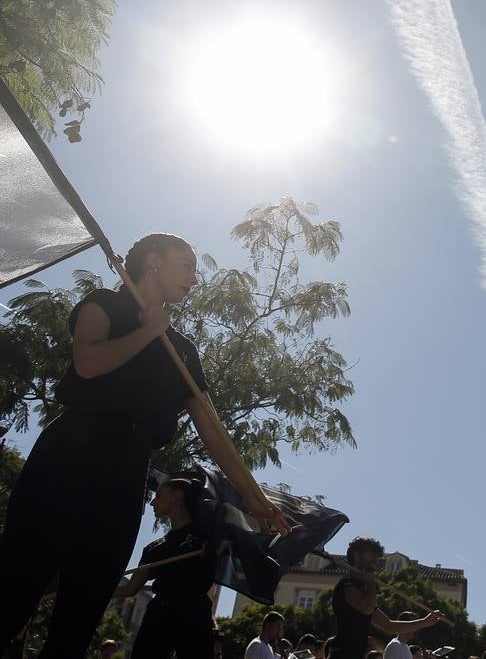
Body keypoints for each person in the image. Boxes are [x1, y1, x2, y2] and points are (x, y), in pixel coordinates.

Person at [0, 233, 287, 657]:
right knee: (15, 589)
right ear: (153, 262)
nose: (196, 277)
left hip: (126, 477)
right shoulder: (104, 305)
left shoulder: (182, 350)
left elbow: (211, 427)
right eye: (187, 265)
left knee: (82, 610)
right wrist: (150, 330)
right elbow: (89, 363)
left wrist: (254, 496)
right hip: (67, 458)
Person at [117, 476, 215, 659]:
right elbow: (131, 589)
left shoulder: (208, 535)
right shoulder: (154, 549)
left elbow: (236, 544)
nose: (153, 502)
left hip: (194, 612)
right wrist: (95, 591)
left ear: (176, 497)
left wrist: (214, 545)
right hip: (160, 613)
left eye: (159, 496)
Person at [329, 537, 444, 658]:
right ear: (357, 556)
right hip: (342, 653)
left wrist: (424, 622)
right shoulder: (346, 584)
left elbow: (389, 626)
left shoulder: (364, 589)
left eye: (377, 557)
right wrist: (371, 582)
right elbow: (366, 608)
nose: (375, 561)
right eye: (372, 555)